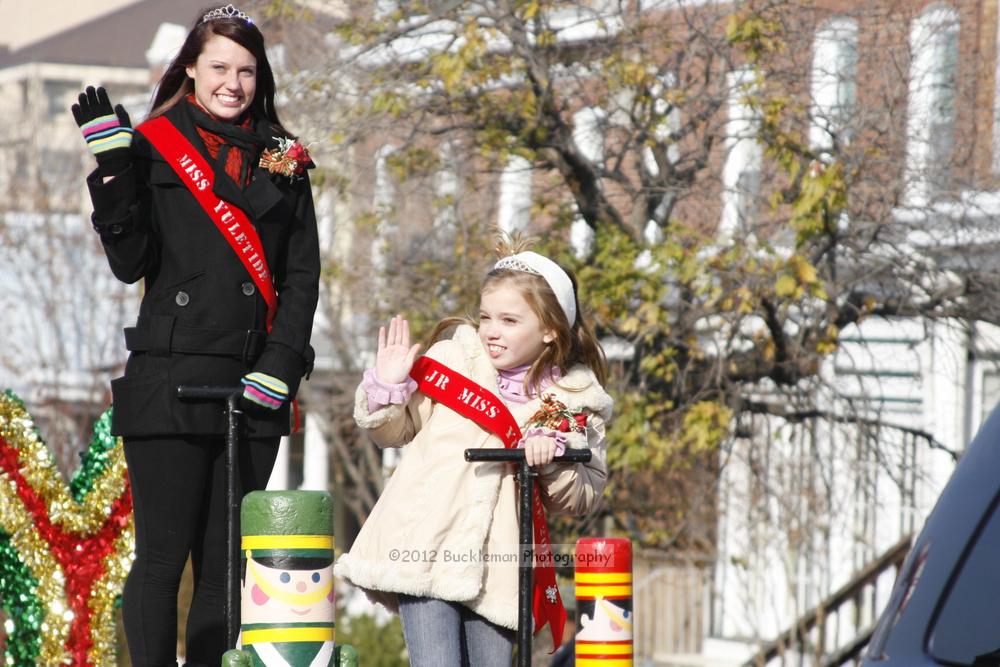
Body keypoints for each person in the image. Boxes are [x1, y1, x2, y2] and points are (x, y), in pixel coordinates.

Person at [71, 4, 319, 666]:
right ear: (190, 68)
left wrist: (282, 362)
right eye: (219, 67)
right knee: (160, 559)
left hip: (254, 383)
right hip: (171, 375)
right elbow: (130, 263)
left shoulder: (283, 155)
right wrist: (115, 172)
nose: (232, 83)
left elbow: (302, 278)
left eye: (246, 70)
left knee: (223, 568)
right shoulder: (153, 144)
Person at [334, 244, 614, 666]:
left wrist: (553, 458)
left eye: (509, 320)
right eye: (486, 317)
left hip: (498, 573)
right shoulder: (453, 360)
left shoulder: (575, 401)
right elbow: (395, 431)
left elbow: (581, 497)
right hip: (423, 551)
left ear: (551, 330)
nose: (491, 331)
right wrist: (387, 389)